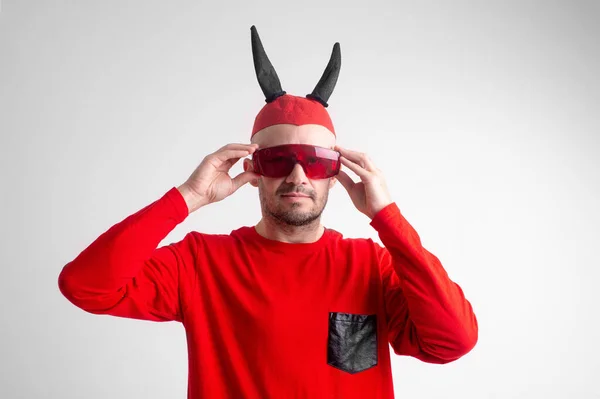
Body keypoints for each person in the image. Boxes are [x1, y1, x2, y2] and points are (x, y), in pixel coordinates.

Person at [58, 25, 478, 398]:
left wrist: (387, 217)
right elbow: (86, 286)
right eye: (278, 160)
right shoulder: (201, 262)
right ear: (253, 169)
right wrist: (187, 196)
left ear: (336, 173)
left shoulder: (373, 265)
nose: (298, 177)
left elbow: (453, 341)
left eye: (315, 162)